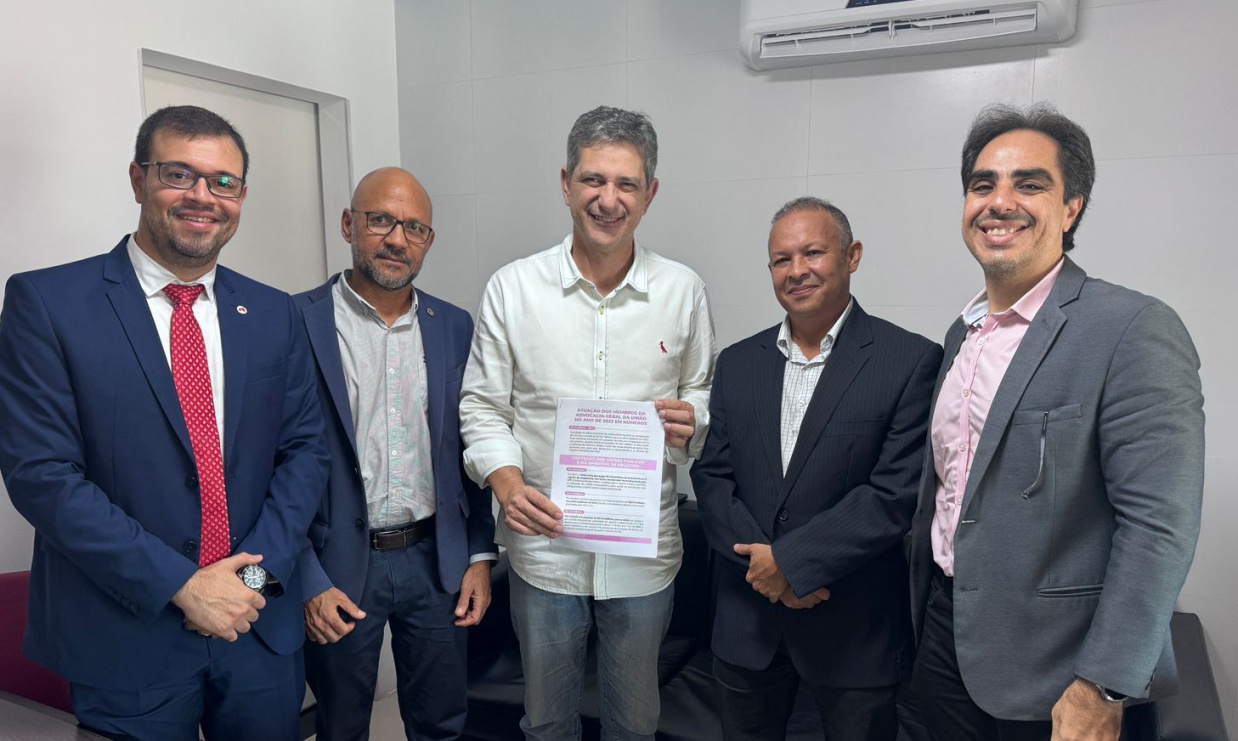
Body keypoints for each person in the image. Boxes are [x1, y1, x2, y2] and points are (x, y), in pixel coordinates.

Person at [0, 105, 329, 741]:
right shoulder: (47, 303)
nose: (203, 196)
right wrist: (182, 585)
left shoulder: (273, 312)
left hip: (256, 628)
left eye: (223, 181)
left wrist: (248, 584)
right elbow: (41, 475)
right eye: (179, 174)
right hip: (125, 634)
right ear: (138, 179)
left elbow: (305, 453)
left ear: (241, 196)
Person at [907, 103, 1205, 741]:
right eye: (982, 184)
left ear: (1072, 209)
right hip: (945, 644)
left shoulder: (1131, 328)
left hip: (1062, 673)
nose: (999, 202)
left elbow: (1159, 525)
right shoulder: (962, 335)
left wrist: (1105, 683)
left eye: (1030, 184)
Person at [459, 105, 716, 741]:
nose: (608, 199)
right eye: (593, 180)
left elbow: (701, 392)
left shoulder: (682, 291)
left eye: (627, 184)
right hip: (545, 554)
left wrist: (694, 420)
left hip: (641, 557)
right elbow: (482, 406)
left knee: (635, 724)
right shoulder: (513, 289)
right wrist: (507, 485)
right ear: (566, 182)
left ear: (650, 193)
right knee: (547, 722)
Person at [691, 197, 941, 741]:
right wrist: (765, 573)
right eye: (782, 259)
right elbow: (712, 479)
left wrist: (791, 565)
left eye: (813, 253)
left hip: (852, 631)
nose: (797, 270)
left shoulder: (910, 360)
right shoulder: (737, 363)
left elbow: (894, 495)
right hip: (747, 625)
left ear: (852, 256)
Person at [295, 166, 496, 741]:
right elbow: (269, 464)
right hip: (336, 565)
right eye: (380, 220)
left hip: (436, 563)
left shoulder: (454, 326)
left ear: (428, 241)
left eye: (414, 228)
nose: (396, 239)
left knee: (442, 723)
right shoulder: (295, 321)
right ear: (348, 224)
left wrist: (479, 554)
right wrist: (305, 577)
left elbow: (471, 446)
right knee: (340, 726)